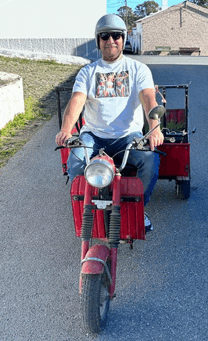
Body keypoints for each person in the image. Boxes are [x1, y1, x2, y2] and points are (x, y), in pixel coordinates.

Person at [55, 14, 164, 231]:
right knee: (74, 162)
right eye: (105, 35)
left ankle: (138, 207)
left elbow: (148, 98)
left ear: (123, 39)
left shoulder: (138, 69)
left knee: (150, 161)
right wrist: (66, 129)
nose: (110, 40)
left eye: (116, 35)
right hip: (94, 135)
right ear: (98, 40)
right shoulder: (88, 72)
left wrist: (154, 128)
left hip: (128, 136)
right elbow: (77, 100)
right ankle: (87, 206)